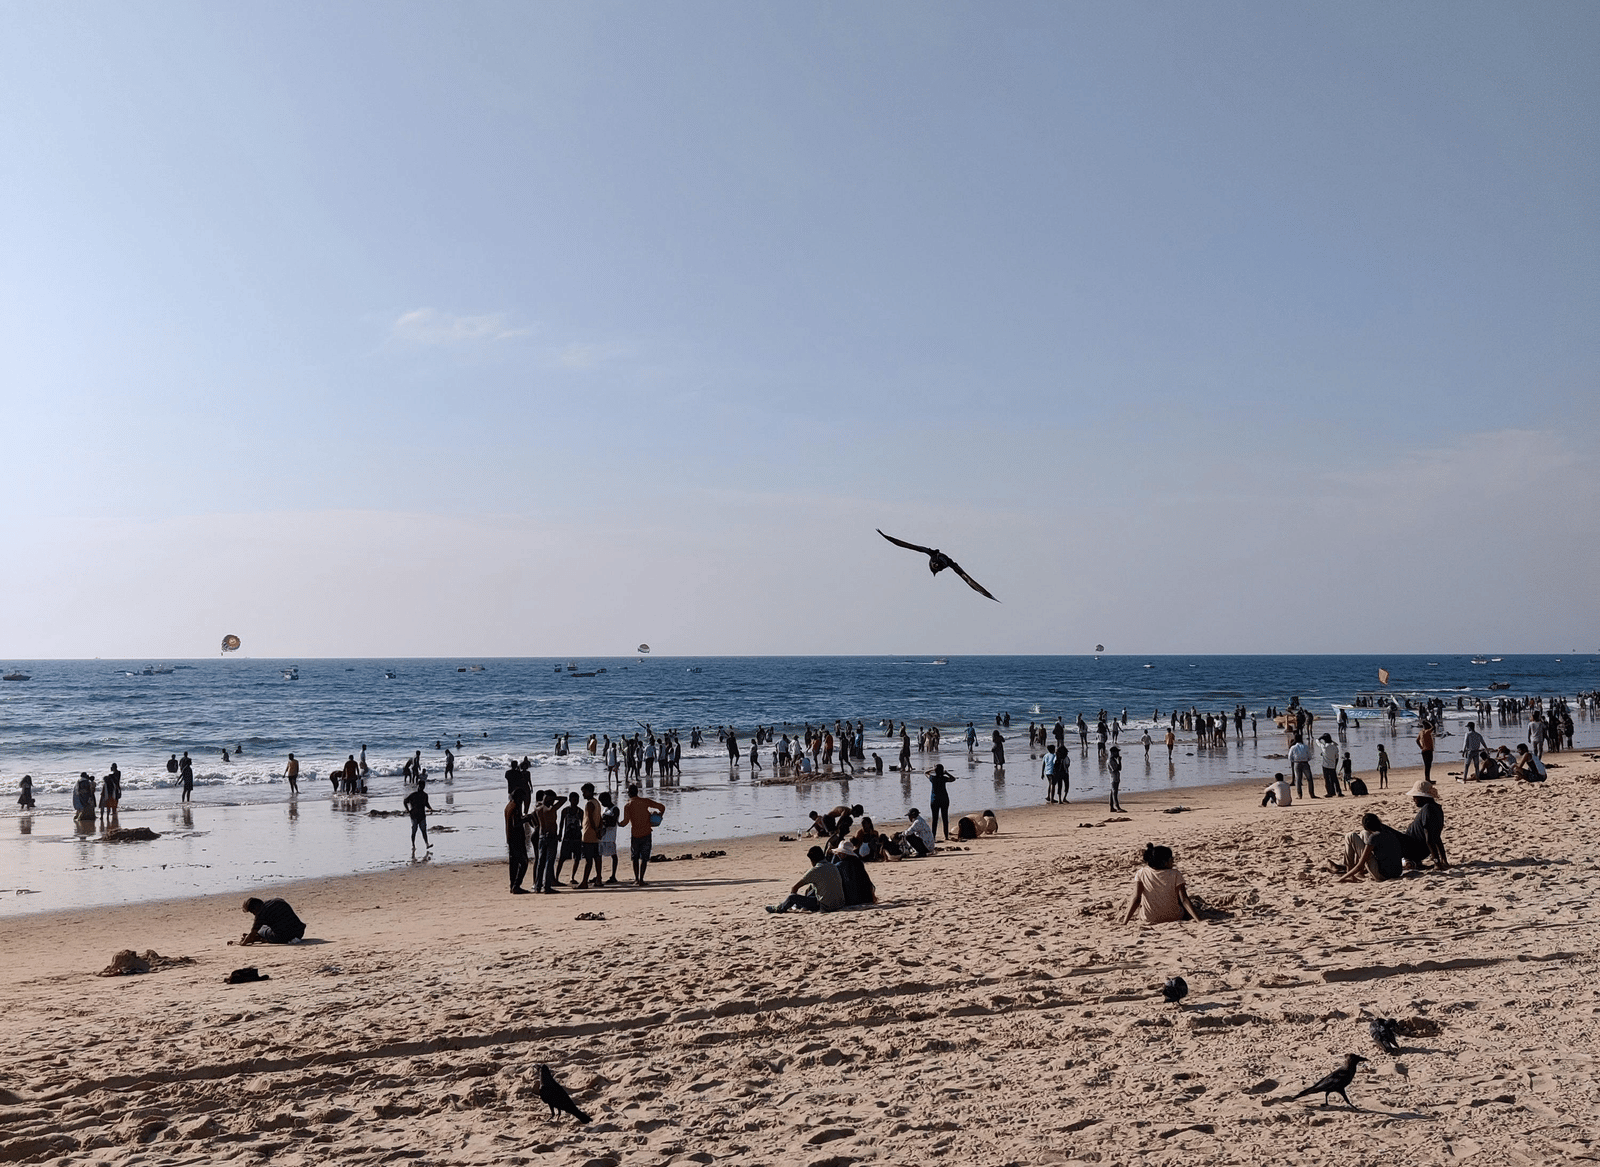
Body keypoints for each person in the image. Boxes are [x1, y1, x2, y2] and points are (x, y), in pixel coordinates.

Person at [1122, 844, 1199, 925]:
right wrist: (1198, 920)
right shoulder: (1175, 874)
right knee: (1183, 901)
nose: (1173, 861)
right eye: (1171, 859)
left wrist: (1125, 922)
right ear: (1164, 862)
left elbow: (1136, 899)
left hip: (1149, 918)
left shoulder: (1141, 873)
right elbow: (1184, 899)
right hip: (1174, 917)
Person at [766, 846, 846, 913]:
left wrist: (795, 899)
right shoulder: (833, 866)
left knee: (792, 897)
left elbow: (795, 888)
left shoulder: (815, 870)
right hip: (840, 904)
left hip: (826, 906)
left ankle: (778, 909)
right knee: (814, 888)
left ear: (813, 860)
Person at [1338, 812, 1405, 882]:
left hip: (1382, 875)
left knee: (1350, 836)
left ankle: (1349, 872)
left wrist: (1340, 879)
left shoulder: (1374, 837)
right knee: (1364, 833)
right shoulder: (1390, 833)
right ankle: (1360, 873)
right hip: (1397, 873)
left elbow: (1360, 865)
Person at [621, 784, 666, 886]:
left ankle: (636, 879)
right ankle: (641, 879)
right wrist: (659, 817)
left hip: (635, 834)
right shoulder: (645, 801)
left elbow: (625, 822)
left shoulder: (628, 806)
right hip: (646, 833)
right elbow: (662, 807)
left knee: (635, 858)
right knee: (644, 858)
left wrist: (618, 824)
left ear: (629, 793)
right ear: (637, 792)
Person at [1400, 780, 1448, 870]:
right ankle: (1412, 862)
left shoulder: (1427, 809)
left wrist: (1437, 863)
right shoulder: (1437, 808)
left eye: (1415, 797)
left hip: (1413, 850)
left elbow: (1429, 838)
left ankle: (1408, 861)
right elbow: (1437, 837)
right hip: (1421, 851)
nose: (1414, 799)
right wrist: (1444, 859)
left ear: (1423, 797)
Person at [240, 896, 306, 944]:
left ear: (253, 910)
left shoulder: (260, 913)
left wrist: (245, 941)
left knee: (261, 929)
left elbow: (253, 932)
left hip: (285, 937)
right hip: (299, 932)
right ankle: (261, 937)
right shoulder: (278, 900)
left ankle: (260, 938)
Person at [578, 783, 604, 889]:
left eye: (584, 792)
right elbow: (600, 818)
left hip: (588, 834)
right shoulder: (597, 802)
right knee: (597, 858)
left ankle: (584, 882)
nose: (583, 794)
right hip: (595, 834)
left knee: (588, 860)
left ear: (590, 792)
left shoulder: (589, 804)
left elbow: (590, 819)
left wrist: (596, 830)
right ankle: (598, 879)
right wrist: (599, 830)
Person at [505, 793, 532, 893]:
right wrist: (526, 819)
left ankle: (512, 885)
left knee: (514, 863)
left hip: (510, 838)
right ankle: (516, 885)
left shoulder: (508, 806)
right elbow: (515, 823)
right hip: (517, 839)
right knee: (524, 862)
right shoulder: (515, 807)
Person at [924, 764, 956, 841]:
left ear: (935, 771)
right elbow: (953, 779)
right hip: (944, 799)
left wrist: (932, 769)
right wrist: (946, 773)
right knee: (945, 818)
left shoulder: (933, 778)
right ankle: (946, 836)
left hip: (934, 800)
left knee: (935, 819)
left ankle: (933, 836)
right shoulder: (944, 778)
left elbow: (925, 773)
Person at [403, 778, 434, 852]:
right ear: (418, 786)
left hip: (422, 815)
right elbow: (405, 801)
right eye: (420, 786)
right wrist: (408, 810)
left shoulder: (425, 795)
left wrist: (430, 808)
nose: (422, 787)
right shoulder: (413, 795)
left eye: (423, 786)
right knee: (414, 830)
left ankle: (427, 844)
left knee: (423, 831)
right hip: (414, 815)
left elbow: (426, 803)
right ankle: (413, 845)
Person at [597, 791, 621, 883]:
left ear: (607, 800)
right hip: (603, 836)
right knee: (599, 855)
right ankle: (598, 875)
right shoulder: (605, 809)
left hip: (610, 836)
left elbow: (613, 823)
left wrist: (605, 820)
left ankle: (613, 875)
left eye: (602, 801)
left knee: (613, 855)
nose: (602, 804)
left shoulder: (615, 809)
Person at [1107, 745, 1124, 812]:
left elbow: (1120, 768)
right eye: (1117, 752)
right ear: (1113, 753)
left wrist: (1119, 761)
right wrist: (1118, 762)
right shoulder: (1110, 760)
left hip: (1116, 778)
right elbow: (1115, 769)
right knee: (1114, 792)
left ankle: (1111, 807)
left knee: (1113, 792)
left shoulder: (1113, 760)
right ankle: (1117, 807)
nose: (1118, 754)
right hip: (1114, 778)